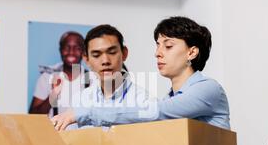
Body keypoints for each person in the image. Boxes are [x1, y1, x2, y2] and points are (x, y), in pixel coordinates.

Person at [52, 16, 230, 131]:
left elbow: (157, 112)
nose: (158, 53)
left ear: (191, 52)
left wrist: (86, 112)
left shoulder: (208, 89)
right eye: (157, 45)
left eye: (168, 46)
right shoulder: (168, 98)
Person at [79, 24, 149, 124]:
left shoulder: (145, 101)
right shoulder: (81, 100)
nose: (105, 61)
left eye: (112, 52)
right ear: (86, 59)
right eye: (96, 55)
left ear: (124, 54)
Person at [29, 31, 89, 129]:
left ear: (83, 51)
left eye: (77, 48)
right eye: (67, 47)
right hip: (54, 137)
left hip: (84, 138)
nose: (71, 52)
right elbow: (33, 115)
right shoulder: (47, 77)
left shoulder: (92, 79)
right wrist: (53, 95)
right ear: (60, 50)